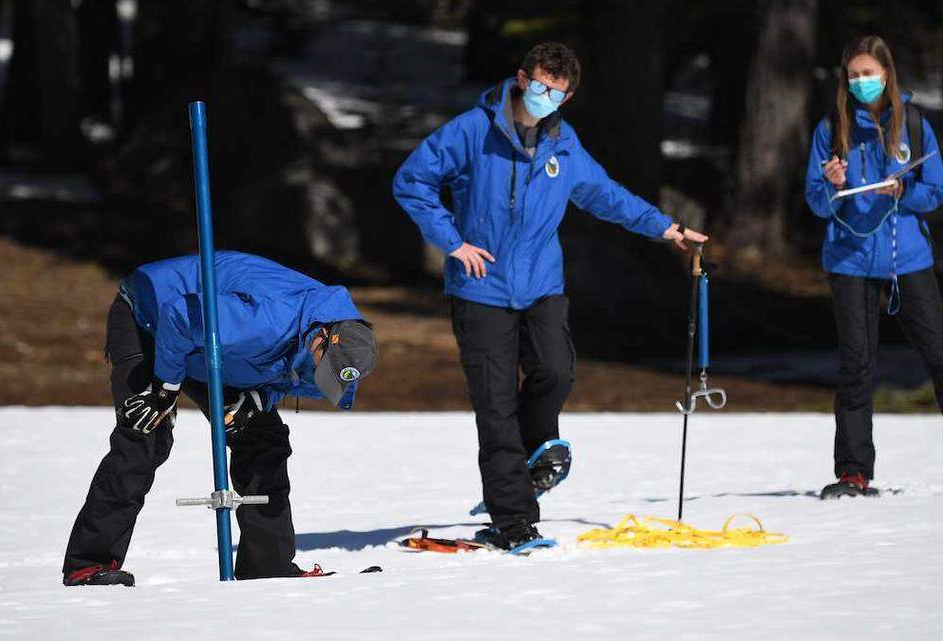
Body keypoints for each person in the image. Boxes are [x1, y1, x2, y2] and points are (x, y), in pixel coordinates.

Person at [392, 42, 707, 548]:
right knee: (495, 406)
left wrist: (665, 227)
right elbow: (411, 182)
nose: (544, 98)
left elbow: (604, 194)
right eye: (538, 87)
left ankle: (530, 457)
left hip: (541, 283)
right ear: (521, 79)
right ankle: (513, 519)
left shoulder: (565, 143)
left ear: (568, 96)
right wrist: (452, 241)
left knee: (557, 372)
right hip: (480, 288)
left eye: (556, 93)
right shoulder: (473, 131)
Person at [63, 251, 378, 585]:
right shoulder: (267, 321)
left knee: (262, 440)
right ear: (322, 336)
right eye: (322, 367)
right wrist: (165, 390)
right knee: (145, 434)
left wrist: (258, 399)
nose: (321, 378)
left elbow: (299, 381)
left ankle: (266, 567)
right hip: (153, 317)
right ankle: (89, 564)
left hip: (216, 348)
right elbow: (180, 317)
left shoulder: (333, 359)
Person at [805, 35, 943, 499]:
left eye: (868, 74)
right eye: (853, 76)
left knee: (942, 359)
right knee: (856, 365)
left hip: (906, 258)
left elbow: (936, 189)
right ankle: (853, 472)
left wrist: (903, 193)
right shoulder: (831, 127)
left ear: (887, 74)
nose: (860, 83)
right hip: (849, 261)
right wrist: (832, 185)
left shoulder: (914, 124)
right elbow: (817, 203)